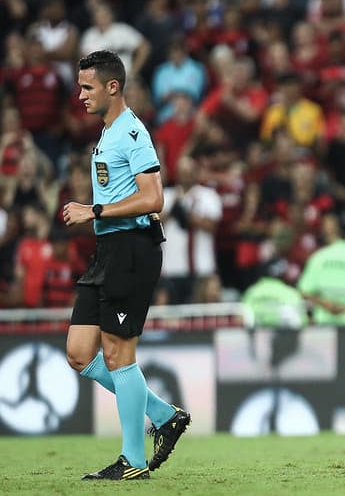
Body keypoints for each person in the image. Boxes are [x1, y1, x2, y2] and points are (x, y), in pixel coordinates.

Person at [62, 50, 190, 481]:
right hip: (108, 250)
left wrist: (94, 210)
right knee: (80, 353)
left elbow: (154, 199)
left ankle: (133, 461)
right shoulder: (108, 132)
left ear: (112, 86)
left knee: (118, 355)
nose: (81, 95)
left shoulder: (132, 132)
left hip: (132, 249)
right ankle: (164, 415)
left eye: (88, 87)